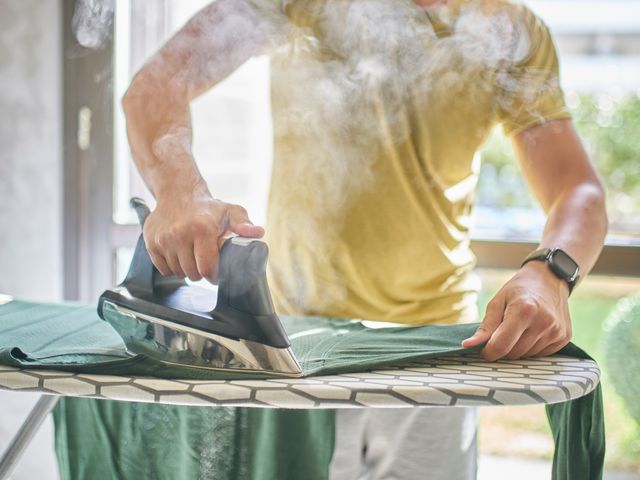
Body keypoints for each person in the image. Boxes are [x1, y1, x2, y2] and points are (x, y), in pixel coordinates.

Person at [121, 0, 607, 478]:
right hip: (295, 342)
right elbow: (157, 84)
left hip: (436, 346)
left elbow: (576, 188)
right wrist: (181, 191)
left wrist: (551, 272)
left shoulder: (510, 29)